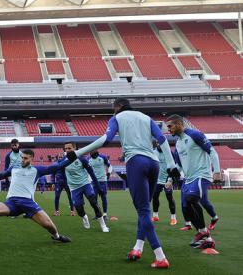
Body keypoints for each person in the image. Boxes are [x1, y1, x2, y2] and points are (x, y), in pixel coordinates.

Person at [70, 98, 180, 269]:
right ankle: (138, 247)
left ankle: (160, 257)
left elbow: (106, 139)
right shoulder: (146, 117)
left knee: (143, 210)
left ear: (118, 107)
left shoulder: (117, 118)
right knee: (144, 209)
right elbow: (162, 139)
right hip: (154, 163)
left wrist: (79, 152)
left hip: (136, 162)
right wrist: (172, 164)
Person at [0, 149, 72, 243]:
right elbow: (4, 173)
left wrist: (70, 159)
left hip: (28, 203)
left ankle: (57, 237)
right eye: (22, 157)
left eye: (25, 158)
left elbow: (55, 167)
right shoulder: (15, 167)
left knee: (49, 225)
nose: (23, 160)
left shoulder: (38, 169)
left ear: (31, 159)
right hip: (11, 202)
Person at [165, 115, 221, 249]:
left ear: (179, 124)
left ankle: (203, 231)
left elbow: (212, 151)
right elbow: (178, 165)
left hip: (201, 175)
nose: (168, 129)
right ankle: (205, 237)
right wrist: (170, 179)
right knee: (186, 208)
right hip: (188, 179)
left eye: (170, 126)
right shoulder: (178, 143)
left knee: (191, 198)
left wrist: (217, 171)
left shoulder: (195, 135)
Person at [63, 143, 109, 233]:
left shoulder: (81, 159)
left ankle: (103, 225)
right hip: (74, 188)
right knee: (79, 210)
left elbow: (92, 173)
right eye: (66, 148)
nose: (68, 150)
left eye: (69, 148)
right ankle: (85, 217)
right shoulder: (63, 161)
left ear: (75, 148)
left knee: (93, 202)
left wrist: (98, 186)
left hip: (85, 184)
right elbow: (57, 171)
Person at [151, 141, 178, 225]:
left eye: (161, 143)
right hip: (156, 180)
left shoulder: (169, 153)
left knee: (169, 197)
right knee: (155, 197)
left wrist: (171, 178)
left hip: (167, 179)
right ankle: (155, 216)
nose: (159, 145)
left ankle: (173, 218)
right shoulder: (153, 152)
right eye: (158, 143)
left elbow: (175, 165)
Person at [88, 150, 112, 219]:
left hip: (103, 181)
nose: (94, 157)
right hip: (94, 181)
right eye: (93, 156)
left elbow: (110, 166)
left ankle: (104, 214)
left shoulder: (103, 157)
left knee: (103, 197)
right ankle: (98, 214)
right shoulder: (88, 159)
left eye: (95, 156)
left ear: (97, 154)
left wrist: (109, 173)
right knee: (94, 199)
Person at [52, 152, 76, 216]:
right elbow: (53, 174)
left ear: (64, 157)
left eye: (62, 157)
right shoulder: (55, 164)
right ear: (57, 158)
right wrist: (53, 183)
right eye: (59, 157)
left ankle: (72, 211)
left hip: (67, 182)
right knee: (57, 196)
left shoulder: (67, 164)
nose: (60, 158)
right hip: (58, 182)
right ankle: (57, 211)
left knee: (70, 197)